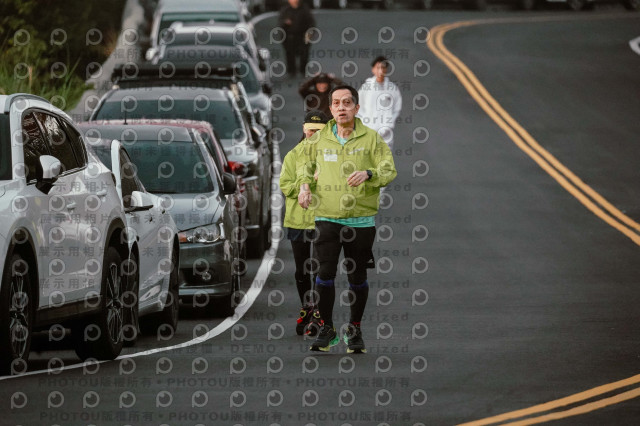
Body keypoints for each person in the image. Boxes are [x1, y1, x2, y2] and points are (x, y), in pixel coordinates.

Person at [298, 85, 397, 353]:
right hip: (327, 218)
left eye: (347, 103)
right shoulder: (319, 140)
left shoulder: (372, 139)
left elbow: (389, 170)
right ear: (331, 108)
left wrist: (369, 174)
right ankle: (327, 329)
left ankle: (354, 330)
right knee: (324, 274)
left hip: (360, 221)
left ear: (356, 107)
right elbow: (304, 166)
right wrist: (305, 188)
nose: (341, 107)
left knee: (357, 276)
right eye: (336, 103)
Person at [279, 110, 329, 336]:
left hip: (322, 219)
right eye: (310, 130)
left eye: (319, 131)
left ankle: (318, 311)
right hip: (298, 219)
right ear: (303, 129)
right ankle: (306, 306)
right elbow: (285, 186)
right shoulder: (293, 155)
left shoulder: (330, 156)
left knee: (319, 268)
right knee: (301, 269)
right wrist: (303, 186)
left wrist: (316, 183)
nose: (314, 134)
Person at [357, 56, 402, 153]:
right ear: (373, 69)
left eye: (383, 67)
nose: (380, 70)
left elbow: (396, 109)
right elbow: (358, 106)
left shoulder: (392, 89)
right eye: (378, 68)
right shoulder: (366, 87)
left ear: (386, 70)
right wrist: (364, 123)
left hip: (386, 131)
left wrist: (389, 123)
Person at [278, 0, 315, 77]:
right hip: (289, 36)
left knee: (304, 53)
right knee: (290, 53)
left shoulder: (304, 9)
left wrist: (309, 33)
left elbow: (311, 22)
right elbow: (280, 23)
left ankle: (303, 70)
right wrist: (285, 23)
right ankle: (291, 71)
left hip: (302, 35)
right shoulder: (285, 10)